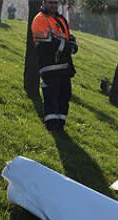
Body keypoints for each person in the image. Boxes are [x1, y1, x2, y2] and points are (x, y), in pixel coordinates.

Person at [31, 0, 78, 131]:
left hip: (64, 67)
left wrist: (71, 44)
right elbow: (47, 44)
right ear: (44, 2)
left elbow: (68, 38)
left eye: (56, 3)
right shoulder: (39, 19)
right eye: (51, 2)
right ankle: (52, 128)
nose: (54, 5)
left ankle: (60, 127)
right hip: (49, 67)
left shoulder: (60, 19)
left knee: (64, 96)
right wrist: (68, 46)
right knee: (51, 97)